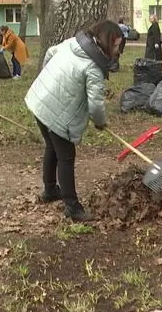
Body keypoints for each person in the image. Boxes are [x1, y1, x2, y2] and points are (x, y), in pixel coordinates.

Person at [25, 20, 123, 222]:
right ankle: (72, 207)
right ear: (106, 41)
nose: (117, 49)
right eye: (116, 45)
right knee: (66, 157)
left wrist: (48, 79)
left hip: (39, 100)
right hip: (56, 113)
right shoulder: (93, 67)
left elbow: (51, 52)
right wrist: (100, 122)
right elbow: (95, 105)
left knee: (52, 148)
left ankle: (50, 190)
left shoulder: (73, 43)